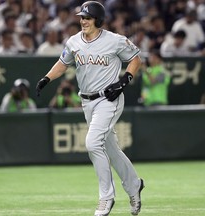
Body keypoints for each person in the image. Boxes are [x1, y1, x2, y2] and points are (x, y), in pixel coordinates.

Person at [36, 1, 144, 216]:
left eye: (87, 17)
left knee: (93, 143)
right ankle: (134, 185)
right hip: (86, 101)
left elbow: (135, 59)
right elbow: (63, 63)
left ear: (99, 20)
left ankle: (106, 198)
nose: (83, 21)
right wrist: (47, 78)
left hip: (108, 99)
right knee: (111, 150)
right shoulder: (74, 41)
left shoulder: (115, 40)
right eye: (81, 17)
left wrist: (124, 81)